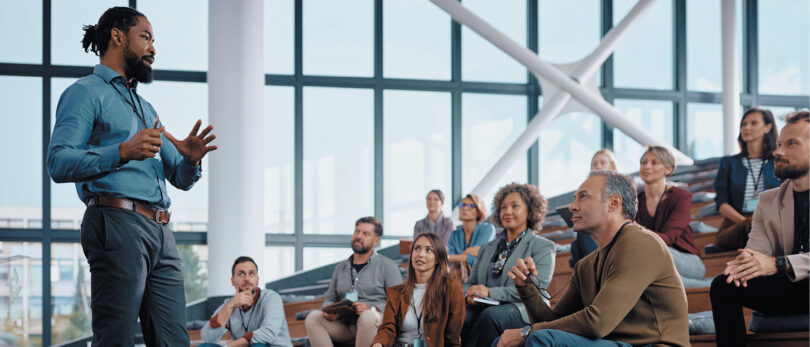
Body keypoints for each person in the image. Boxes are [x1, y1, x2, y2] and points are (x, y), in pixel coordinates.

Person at [46, 7, 217, 346]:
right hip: (116, 221)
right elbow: (58, 161)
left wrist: (192, 161)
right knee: (116, 338)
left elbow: (179, 177)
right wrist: (122, 151)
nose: (153, 48)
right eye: (146, 37)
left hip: (161, 232)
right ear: (117, 36)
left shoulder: (145, 108)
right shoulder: (85, 93)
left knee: (173, 340)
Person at [495, 171, 689, 347]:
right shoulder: (586, 265)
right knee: (503, 342)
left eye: (583, 197)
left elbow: (598, 322)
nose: (572, 207)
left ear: (614, 203)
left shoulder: (641, 243)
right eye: (574, 199)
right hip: (612, 343)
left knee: (539, 339)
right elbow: (551, 322)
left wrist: (526, 332)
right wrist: (527, 287)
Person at [710, 110, 810, 347]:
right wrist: (743, 266)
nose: (778, 152)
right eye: (778, 144)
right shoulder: (768, 201)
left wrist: (778, 263)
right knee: (725, 285)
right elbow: (755, 252)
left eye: (791, 144)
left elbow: (773, 263)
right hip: (792, 288)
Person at [461, 183, 555, 347]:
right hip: (486, 306)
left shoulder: (543, 246)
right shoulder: (487, 248)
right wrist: (470, 294)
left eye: (515, 206)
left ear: (530, 211)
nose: (507, 211)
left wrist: (490, 292)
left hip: (523, 308)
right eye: (503, 207)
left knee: (490, 317)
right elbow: (470, 282)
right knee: (462, 315)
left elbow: (537, 288)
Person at [305, 217, 404, 347]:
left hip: (376, 322)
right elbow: (330, 298)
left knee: (368, 316)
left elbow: (398, 305)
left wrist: (372, 308)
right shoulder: (340, 268)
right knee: (313, 318)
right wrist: (331, 311)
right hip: (346, 325)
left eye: (365, 234)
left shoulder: (388, 266)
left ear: (376, 240)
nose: (359, 236)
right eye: (357, 232)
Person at [371, 233, 466, 347]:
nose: (420, 254)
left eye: (428, 250)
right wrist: (378, 344)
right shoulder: (396, 292)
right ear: (411, 255)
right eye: (417, 248)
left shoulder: (450, 288)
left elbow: (452, 338)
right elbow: (388, 328)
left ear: (438, 258)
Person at [635, 146, 707, 288]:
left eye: (654, 163)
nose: (646, 166)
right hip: (653, 260)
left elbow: (669, 237)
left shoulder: (681, 196)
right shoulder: (636, 200)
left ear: (668, 169)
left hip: (688, 261)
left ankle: (707, 285)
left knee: (647, 252)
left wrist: (635, 231)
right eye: (643, 162)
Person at [713, 107, 781, 250]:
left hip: (771, 220)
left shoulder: (779, 161)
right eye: (744, 124)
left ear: (768, 127)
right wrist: (747, 223)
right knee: (758, 231)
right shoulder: (728, 163)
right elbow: (722, 203)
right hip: (736, 224)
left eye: (753, 123)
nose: (747, 127)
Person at [200, 257, 292, 347]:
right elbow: (207, 337)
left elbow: (268, 332)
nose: (247, 278)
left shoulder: (272, 298)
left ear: (257, 279)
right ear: (233, 281)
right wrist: (230, 306)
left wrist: (229, 345)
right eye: (241, 274)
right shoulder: (230, 303)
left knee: (258, 345)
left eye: (252, 274)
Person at [448, 193, 496, 269]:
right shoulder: (454, 235)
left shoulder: (488, 229)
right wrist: (467, 253)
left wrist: (456, 257)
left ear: (478, 211)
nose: (465, 208)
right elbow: (451, 263)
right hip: (459, 277)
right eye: (462, 205)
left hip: (482, 276)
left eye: (471, 206)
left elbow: (480, 259)